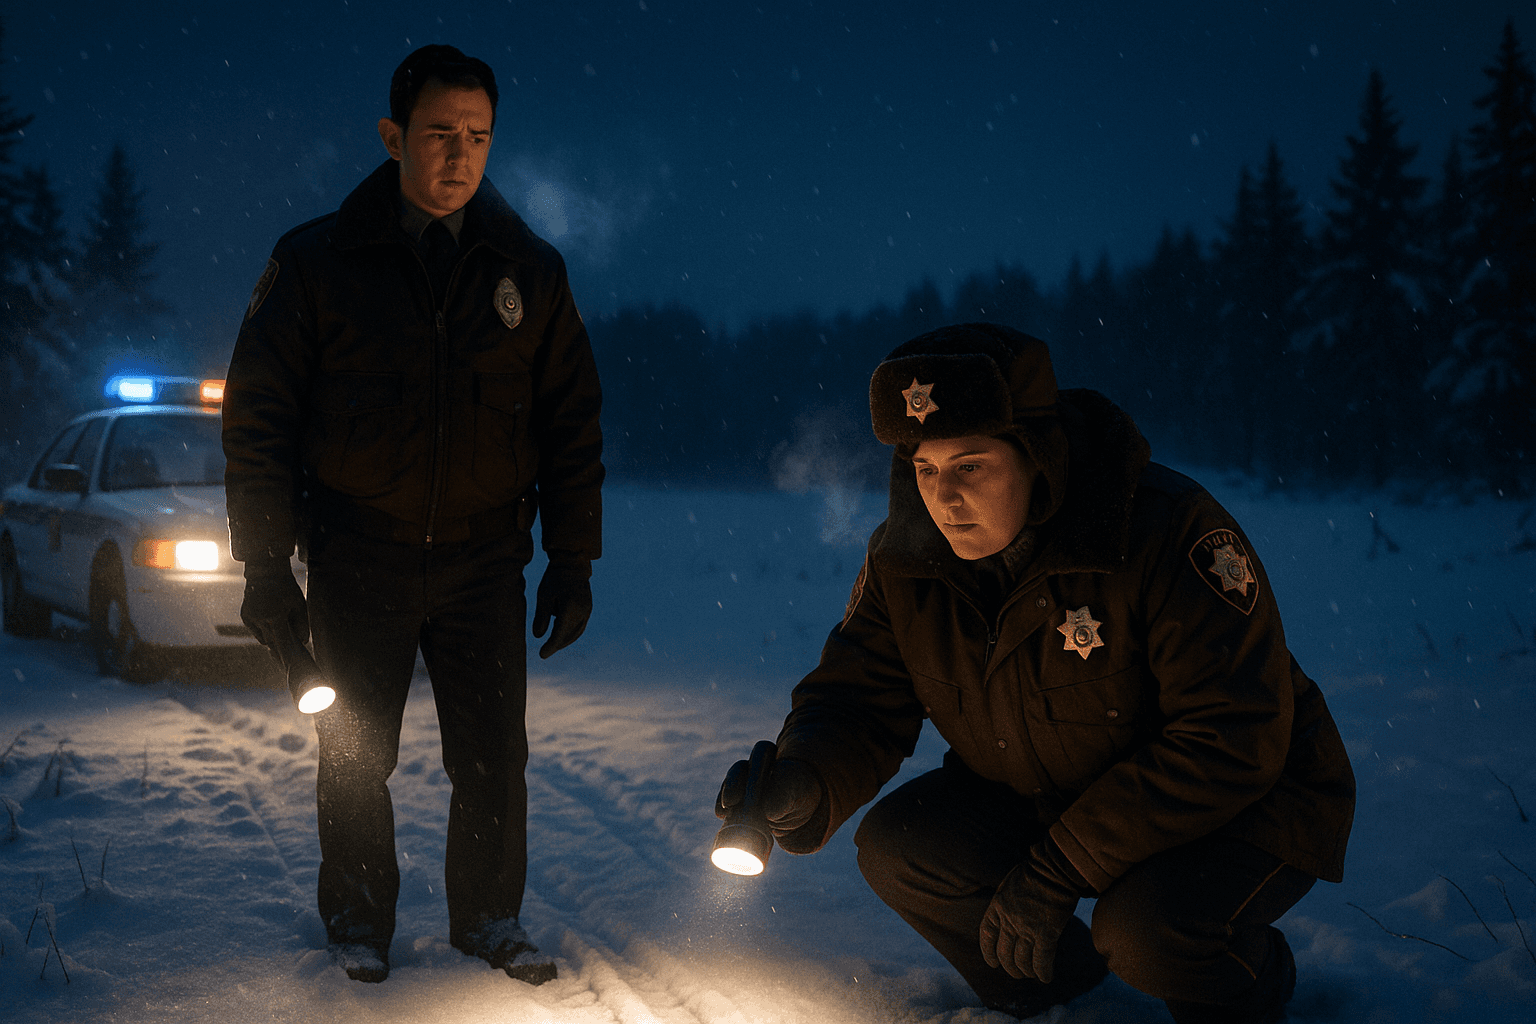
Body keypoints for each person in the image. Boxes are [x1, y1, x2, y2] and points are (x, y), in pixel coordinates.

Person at [715, 323, 1354, 1022]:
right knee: (905, 849)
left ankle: (1250, 982)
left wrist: (1055, 871)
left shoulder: (1165, 532)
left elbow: (1232, 736)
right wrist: (805, 783)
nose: (945, 498)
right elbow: (858, 699)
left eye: (972, 466)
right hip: (1051, 785)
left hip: (1244, 805)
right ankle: (1060, 993)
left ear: (1039, 458)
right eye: (925, 470)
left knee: (1144, 933)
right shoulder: (908, 562)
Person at [222, 45, 603, 985]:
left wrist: (573, 559)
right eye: (439, 134)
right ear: (393, 137)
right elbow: (258, 422)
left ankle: (489, 917)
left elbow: (572, 425)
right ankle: (358, 923)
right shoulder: (317, 262)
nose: (459, 156)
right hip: (361, 555)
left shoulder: (531, 273)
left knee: (491, 758)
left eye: (477, 136)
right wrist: (267, 570)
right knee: (354, 752)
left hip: (484, 564)